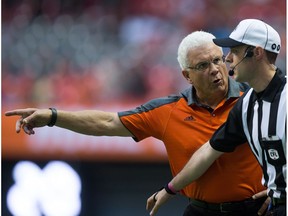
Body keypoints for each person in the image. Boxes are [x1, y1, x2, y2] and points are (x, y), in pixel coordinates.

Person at [5, 31, 268, 215]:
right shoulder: (168, 111)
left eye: (217, 60)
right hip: (201, 211)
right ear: (186, 75)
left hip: (256, 209)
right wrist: (52, 116)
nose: (214, 69)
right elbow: (107, 122)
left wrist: (282, 189)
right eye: (202, 65)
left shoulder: (255, 98)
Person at [147, 19, 286, 216]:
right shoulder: (246, 104)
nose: (228, 59)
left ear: (256, 53)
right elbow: (208, 151)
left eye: (235, 51)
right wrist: (170, 189)